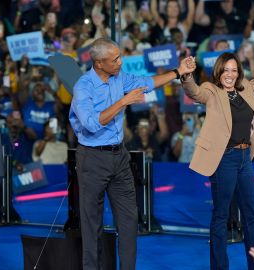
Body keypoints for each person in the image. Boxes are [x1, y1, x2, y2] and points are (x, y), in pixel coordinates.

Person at [69, 38, 195, 270]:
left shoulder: (120, 77)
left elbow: (147, 82)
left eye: (120, 56)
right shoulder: (83, 87)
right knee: (91, 223)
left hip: (120, 157)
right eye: (115, 59)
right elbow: (91, 124)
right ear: (98, 63)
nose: (120, 62)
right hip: (92, 159)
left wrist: (178, 71)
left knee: (129, 220)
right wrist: (124, 101)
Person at [180, 28, 254, 270]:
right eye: (226, 70)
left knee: (251, 217)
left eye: (234, 70)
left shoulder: (245, 87)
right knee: (221, 217)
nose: (230, 74)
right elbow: (194, 92)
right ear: (219, 71)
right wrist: (186, 75)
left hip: (245, 158)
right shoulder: (211, 91)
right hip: (223, 159)